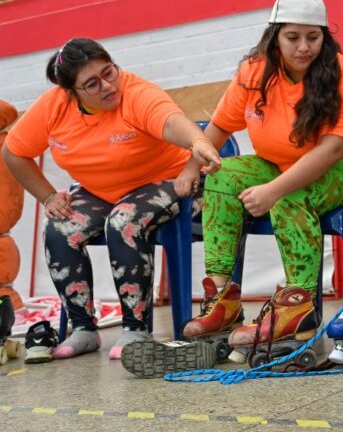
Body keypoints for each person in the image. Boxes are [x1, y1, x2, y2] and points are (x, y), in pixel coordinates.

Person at [177, 0, 343, 354]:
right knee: (222, 174)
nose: (303, 47)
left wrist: (273, 189)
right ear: (275, 37)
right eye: (292, 37)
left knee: (289, 193)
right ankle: (222, 301)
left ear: (325, 37)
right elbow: (219, 127)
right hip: (279, 165)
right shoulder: (254, 72)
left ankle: (297, 310)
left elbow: (332, 149)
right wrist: (192, 166)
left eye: (313, 37)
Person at [2, 38, 221, 360]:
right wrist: (47, 196)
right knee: (60, 228)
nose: (107, 85)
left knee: (124, 221)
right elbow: (14, 153)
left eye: (109, 72)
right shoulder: (54, 107)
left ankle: (136, 328)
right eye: (91, 84)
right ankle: (83, 329)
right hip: (101, 191)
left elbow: (170, 121)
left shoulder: (136, 93)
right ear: (71, 92)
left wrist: (198, 141)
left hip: (169, 181)